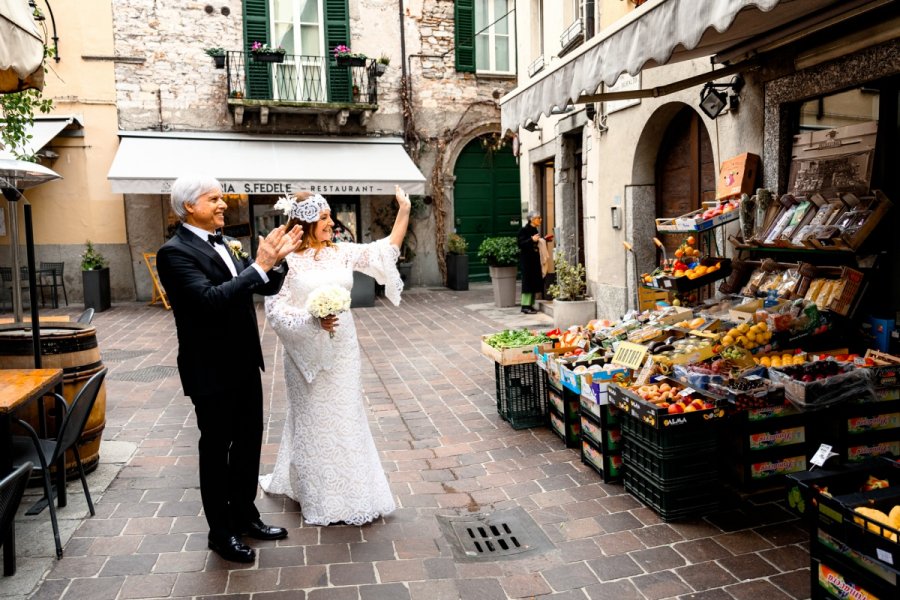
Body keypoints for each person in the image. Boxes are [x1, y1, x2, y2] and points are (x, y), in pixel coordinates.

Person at [156, 175, 302, 563]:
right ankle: (220, 533)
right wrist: (258, 265)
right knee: (217, 450)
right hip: (210, 370)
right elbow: (208, 301)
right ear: (190, 206)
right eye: (214, 199)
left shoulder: (225, 242)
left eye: (222, 198)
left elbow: (260, 287)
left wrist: (277, 264)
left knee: (249, 443)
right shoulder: (173, 253)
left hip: (243, 363)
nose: (224, 204)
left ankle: (245, 515)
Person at [259, 186, 410, 526]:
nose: (331, 222)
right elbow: (275, 309)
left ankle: (355, 490)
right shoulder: (288, 261)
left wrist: (403, 211)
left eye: (330, 215)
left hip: (343, 346)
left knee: (346, 413)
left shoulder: (342, 252)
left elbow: (384, 250)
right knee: (313, 416)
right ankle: (318, 494)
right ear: (306, 222)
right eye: (324, 217)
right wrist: (311, 321)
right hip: (304, 349)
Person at [517, 211, 548, 314]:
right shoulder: (523, 230)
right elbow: (520, 244)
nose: (540, 220)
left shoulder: (534, 229)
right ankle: (525, 306)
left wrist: (544, 240)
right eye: (538, 218)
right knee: (527, 283)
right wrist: (531, 239)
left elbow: (536, 243)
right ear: (532, 219)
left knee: (534, 282)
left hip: (534, 260)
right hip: (527, 260)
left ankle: (530, 305)